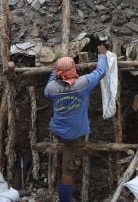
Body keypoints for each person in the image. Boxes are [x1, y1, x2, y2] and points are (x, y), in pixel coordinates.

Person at [44, 44, 108, 202]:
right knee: (69, 171)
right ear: (73, 70)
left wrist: (54, 71)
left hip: (59, 130)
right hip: (74, 135)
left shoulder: (51, 89)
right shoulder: (83, 84)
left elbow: (49, 89)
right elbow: (100, 72)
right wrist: (102, 55)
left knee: (68, 150)